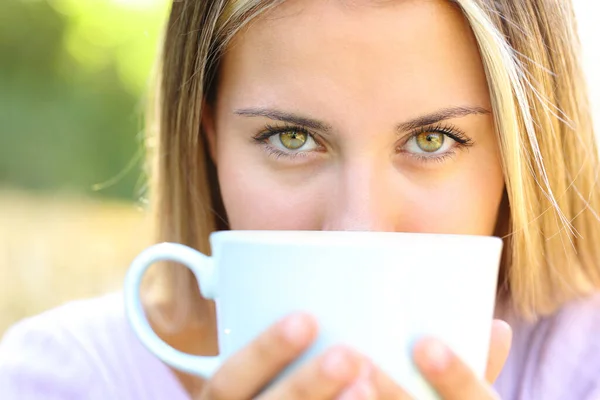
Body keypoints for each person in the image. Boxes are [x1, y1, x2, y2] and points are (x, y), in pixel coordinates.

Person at [2, 0, 600, 398]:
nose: (358, 229)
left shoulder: (581, 366)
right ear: (209, 137)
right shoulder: (60, 379)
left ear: (523, 152)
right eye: (292, 138)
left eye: (431, 139)